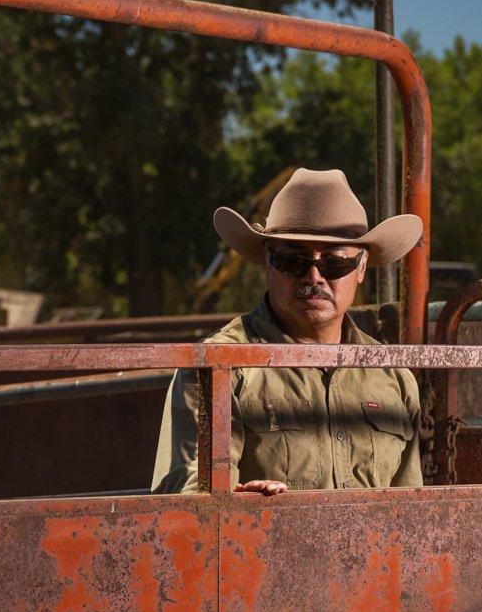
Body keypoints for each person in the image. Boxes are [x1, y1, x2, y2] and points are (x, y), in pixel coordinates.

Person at [151, 167, 425, 495]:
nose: (313, 277)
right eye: (293, 262)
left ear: (361, 267)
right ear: (269, 262)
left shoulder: (394, 378)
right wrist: (235, 506)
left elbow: (410, 509)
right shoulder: (217, 368)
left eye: (334, 264)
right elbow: (189, 499)